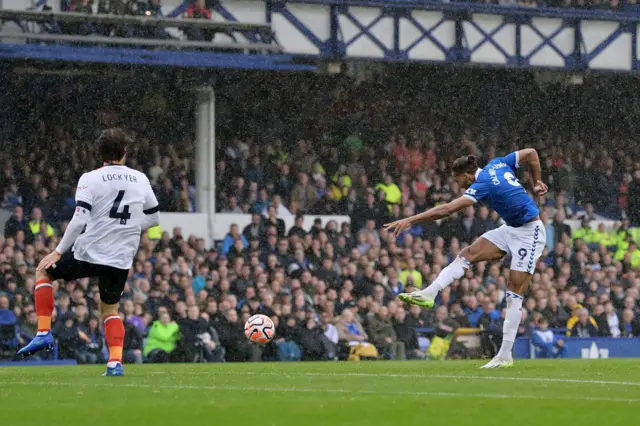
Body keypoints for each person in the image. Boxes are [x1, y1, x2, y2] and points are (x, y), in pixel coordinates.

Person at [385, 149, 547, 368]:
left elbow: (448, 209)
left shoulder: (482, 184)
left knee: (513, 294)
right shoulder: (497, 164)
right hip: (510, 229)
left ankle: (505, 355)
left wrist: (411, 219)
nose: (457, 183)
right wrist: (537, 181)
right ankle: (429, 293)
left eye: (457, 179)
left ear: (467, 175)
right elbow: (531, 153)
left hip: (530, 233)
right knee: (467, 254)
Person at [17, 128, 160, 377]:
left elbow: (79, 219)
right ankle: (115, 363)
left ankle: (43, 333)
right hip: (120, 257)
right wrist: (127, 228)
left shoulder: (90, 178)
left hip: (90, 252)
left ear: (100, 153)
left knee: (43, 271)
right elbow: (154, 218)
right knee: (110, 309)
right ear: (124, 152)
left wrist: (58, 252)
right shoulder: (140, 178)